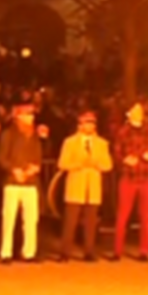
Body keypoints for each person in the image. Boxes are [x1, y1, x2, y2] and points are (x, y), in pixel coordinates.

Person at [55, 111, 112, 262]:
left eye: (92, 122)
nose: (90, 125)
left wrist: (96, 163)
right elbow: (62, 163)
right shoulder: (69, 142)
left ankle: (89, 251)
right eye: (87, 122)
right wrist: (77, 165)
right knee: (70, 222)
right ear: (80, 125)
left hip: (93, 187)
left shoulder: (102, 143)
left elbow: (108, 165)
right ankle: (64, 252)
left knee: (91, 222)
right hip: (75, 185)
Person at [110, 102, 148, 262]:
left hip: (146, 177)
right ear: (128, 113)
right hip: (128, 177)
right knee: (122, 215)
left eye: (140, 110)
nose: (138, 113)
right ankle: (117, 251)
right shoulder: (122, 132)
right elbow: (116, 152)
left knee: (145, 216)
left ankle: (144, 251)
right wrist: (124, 160)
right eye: (135, 110)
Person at [0, 103, 43, 263]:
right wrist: (14, 170)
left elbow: (38, 156)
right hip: (12, 181)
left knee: (31, 219)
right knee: (9, 218)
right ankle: (6, 252)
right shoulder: (7, 134)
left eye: (32, 115)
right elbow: (1, 158)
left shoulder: (35, 135)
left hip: (30, 182)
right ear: (18, 117)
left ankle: (29, 252)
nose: (31, 118)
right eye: (27, 115)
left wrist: (34, 168)